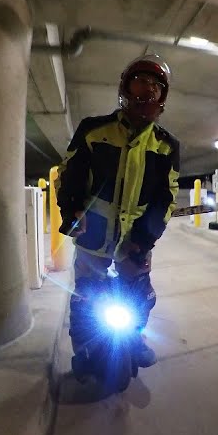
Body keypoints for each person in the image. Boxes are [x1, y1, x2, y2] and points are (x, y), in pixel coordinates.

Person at [56, 54, 180, 369]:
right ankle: (83, 350)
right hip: (93, 234)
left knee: (141, 296)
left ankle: (136, 340)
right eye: (140, 83)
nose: (146, 92)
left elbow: (167, 197)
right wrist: (70, 212)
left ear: (162, 97)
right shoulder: (93, 130)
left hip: (135, 240)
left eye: (154, 87)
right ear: (125, 88)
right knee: (85, 297)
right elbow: (69, 175)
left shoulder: (166, 145)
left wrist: (145, 238)